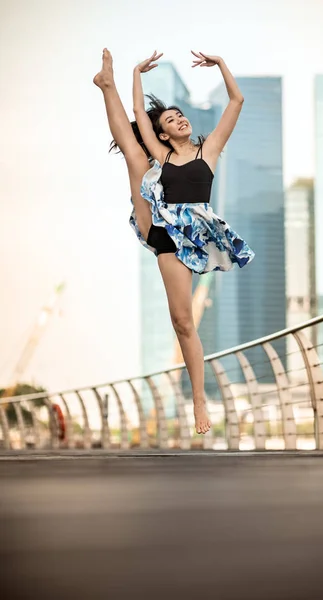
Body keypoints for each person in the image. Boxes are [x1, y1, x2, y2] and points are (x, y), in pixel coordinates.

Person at [94, 49, 254, 435]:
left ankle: (198, 397)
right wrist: (134, 73)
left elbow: (237, 101)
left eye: (180, 114)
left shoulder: (208, 150)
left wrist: (221, 64)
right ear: (162, 133)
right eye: (170, 118)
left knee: (184, 322)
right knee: (136, 155)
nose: (180, 118)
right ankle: (107, 85)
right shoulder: (162, 155)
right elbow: (139, 117)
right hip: (162, 228)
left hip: (195, 235)